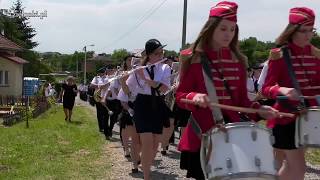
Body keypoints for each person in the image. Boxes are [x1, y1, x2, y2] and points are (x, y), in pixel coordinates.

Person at [175, 2, 279, 179]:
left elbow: (241, 101)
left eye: (232, 29)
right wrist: (194, 96)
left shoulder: (238, 61)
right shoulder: (193, 58)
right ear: (211, 28)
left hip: (233, 134)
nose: (228, 34)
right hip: (204, 133)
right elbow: (180, 96)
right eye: (223, 28)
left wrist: (259, 109)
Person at [261, 7, 320, 180]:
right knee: (297, 167)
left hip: (307, 118)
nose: (308, 36)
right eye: (303, 31)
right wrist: (282, 90)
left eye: (311, 31)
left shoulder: (316, 55)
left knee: (287, 165)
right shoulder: (279, 55)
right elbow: (266, 88)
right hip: (285, 117)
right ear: (292, 30)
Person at [126, 39, 171, 180]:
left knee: (155, 143)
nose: (160, 56)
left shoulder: (165, 68)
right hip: (142, 104)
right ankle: (146, 176)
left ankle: (145, 163)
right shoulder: (139, 69)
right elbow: (129, 89)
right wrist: (123, 80)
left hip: (157, 104)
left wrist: (145, 78)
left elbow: (163, 88)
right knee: (146, 141)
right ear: (149, 55)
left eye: (161, 53)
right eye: (157, 53)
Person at [90, 67, 110, 139]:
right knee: (99, 113)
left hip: (106, 97)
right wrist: (99, 86)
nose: (101, 73)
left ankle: (106, 129)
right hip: (98, 97)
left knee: (105, 114)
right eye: (99, 72)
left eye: (102, 72)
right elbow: (91, 85)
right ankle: (101, 127)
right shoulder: (96, 78)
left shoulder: (108, 77)